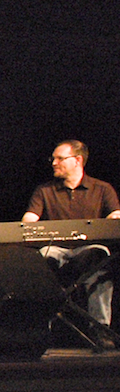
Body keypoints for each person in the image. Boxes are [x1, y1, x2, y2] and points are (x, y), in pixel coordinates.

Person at [22, 139, 120, 348]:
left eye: (59, 158)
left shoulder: (102, 189)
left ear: (77, 160)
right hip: (56, 247)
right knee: (41, 259)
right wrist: (28, 224)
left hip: (88, 247)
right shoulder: (44, 190)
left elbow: (116, 216)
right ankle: (39, 328)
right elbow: (29, 220)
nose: (54, 163)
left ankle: (100, 329)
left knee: (100, 257)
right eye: (53, 158)